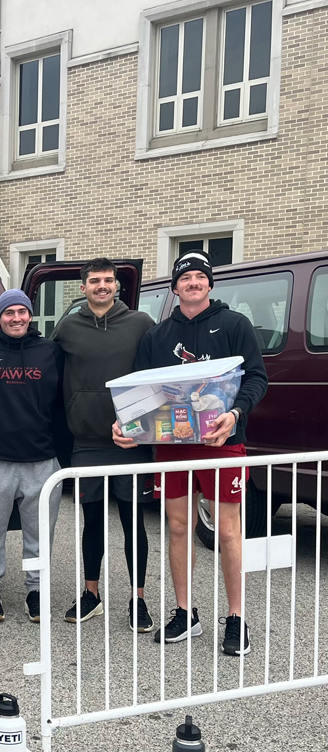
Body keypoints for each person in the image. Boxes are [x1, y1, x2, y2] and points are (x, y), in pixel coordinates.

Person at [115, 250, 268, 655]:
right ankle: (186, 613)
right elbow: (141, 392)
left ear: (210, 283)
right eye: (186, 277)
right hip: (173, 448)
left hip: (223, 443)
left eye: (201, 276)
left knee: (229, 531)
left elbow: (256, 377)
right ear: (175, 285)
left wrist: (235, 414)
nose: (193, 283)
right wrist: (127, 425)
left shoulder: (234, 324)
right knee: (179, 528)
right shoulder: (158, 336)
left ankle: (236, 618)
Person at [52, 259, 156, 633]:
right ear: (83, 288)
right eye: (94, 280)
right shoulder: (68, 327)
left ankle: (138, 599)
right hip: (86, 441)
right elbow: (45, 367)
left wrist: (144, 429)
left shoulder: (141, 324)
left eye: (108, 280)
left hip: (130, 442)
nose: (101, 286)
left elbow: (158, 376)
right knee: (91, 520)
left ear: (117, 286)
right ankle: (91, 595)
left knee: (133, 522)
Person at [0, 289, 64, 624]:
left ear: (30, 316)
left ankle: (35, 591)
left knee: (40, 535)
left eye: (22, 312)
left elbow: (69, 397)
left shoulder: (50, 352)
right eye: (10, 313)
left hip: (41, 462)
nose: (17, 318)